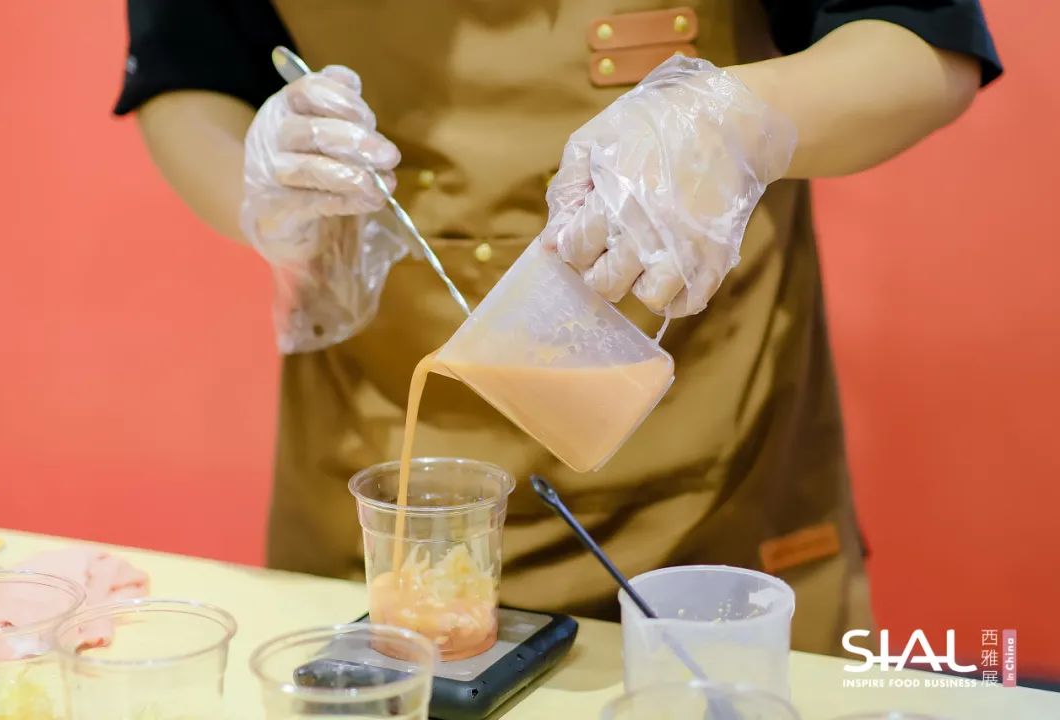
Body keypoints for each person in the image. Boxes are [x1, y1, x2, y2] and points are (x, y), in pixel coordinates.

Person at [115, 1, 1001, 656]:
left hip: (714, 510)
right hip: (380, 523)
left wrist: (734, 123)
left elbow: (921, 41)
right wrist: (259, 190)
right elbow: (189, 74)